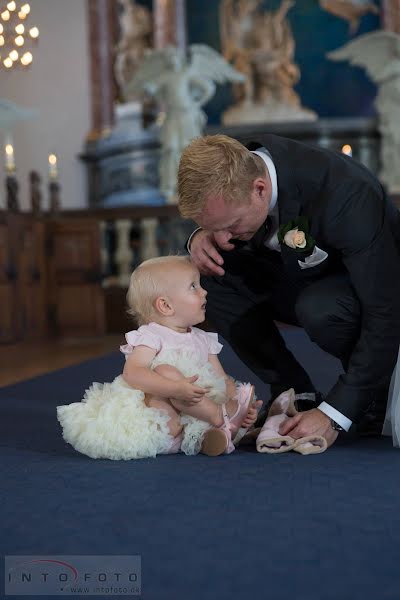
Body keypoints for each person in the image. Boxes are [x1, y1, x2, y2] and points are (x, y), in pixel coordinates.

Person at [177, 133, 400, 448]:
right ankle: (296, 392)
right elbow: (219, 217)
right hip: (297, 277)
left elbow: (386, 310)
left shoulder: (345, 194)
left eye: (231, 224)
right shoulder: (229, 161)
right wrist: (200, 237)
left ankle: (374, 397)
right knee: (209, 275)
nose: (224, 235)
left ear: (260, 188)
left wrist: (335, 413)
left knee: (320, 308)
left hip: (366, 295)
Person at [57, 255, 260, 460]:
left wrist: (238, 401)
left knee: (218, 399)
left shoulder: (203, 339)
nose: (204, 291)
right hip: (162, 418)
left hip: (193, 416)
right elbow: (133, 372)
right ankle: (218, 418)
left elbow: (222, 378)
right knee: (166, 371)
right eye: (193, 287)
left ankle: (210, 434)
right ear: (165, 306)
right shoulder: (151, 336)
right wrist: (176, 389)